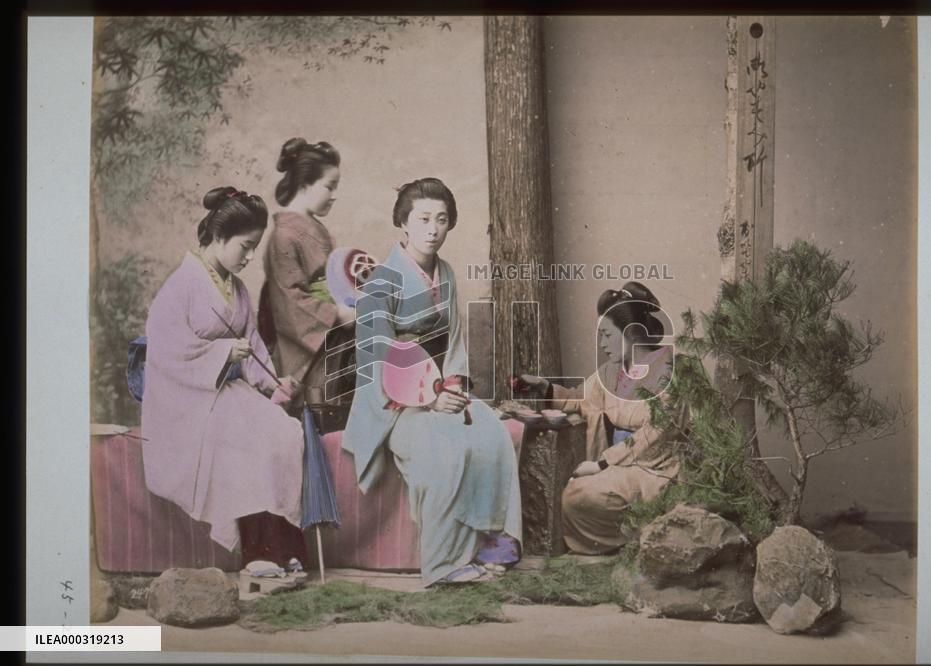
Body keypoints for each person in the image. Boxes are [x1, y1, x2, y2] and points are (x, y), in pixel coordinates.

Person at [342, 177, 522, 586]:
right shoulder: (380, 282)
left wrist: (453, 388)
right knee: (446, 450)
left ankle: (494, 542)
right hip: (394, 405)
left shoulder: (447, 273)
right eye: (423, 218)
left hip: (440, 389)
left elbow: (454, 342)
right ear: (403, 223)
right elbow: (376, 362)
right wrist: (428, 399)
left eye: (441, 219)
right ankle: (445, 564)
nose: (433, 229)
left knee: (492, 431)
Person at [141, 186, 308, 569]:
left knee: (282, 432)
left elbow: (252, 347)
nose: (250, 257)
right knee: (245, 438)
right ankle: (258, 553)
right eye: (245, 246)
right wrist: (220, 353)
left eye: (255, 247)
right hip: (184, 401)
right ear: (218, 237)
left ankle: (284, 547)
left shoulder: (237, 289)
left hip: (223, 393)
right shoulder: (180, 287)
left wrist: (273, 384)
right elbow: (166, 352)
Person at [519, 282, 690, 555]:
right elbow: (580, 397)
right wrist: (545, 388)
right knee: (576, 492)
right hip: (622, 464)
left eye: (608, 335)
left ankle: (645, 541)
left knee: (580, 495)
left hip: (657, 466)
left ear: (633, 333)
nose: (602, 343)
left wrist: (602, 463)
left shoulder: (671, 372)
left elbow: (656, 433)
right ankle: (638, 541)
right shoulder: (611, 372)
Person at [261, 138, 356, 411]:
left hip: (336, 333)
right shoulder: (283, 236)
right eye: (329, 186)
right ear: (305, 184)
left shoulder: (318, 230)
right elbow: (289, 303)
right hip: (307, 351)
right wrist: (336, 314)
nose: (334, 194)